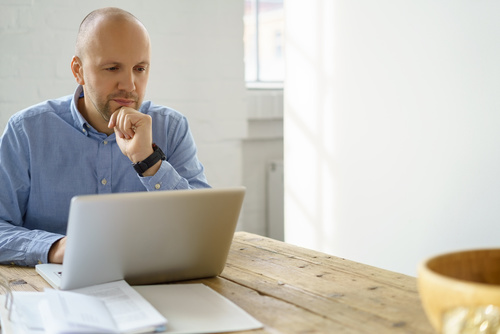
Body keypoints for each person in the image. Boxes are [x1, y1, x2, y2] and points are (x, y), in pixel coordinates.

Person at [0, 7, 210, 267]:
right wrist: (55, 248)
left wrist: (149, 161)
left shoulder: (171, 127)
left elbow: (206, 230)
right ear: (78, 70)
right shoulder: (27, 132)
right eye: (112, 68)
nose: (129, 85)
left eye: (140, 68)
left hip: (154, 288)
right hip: (53, 294)